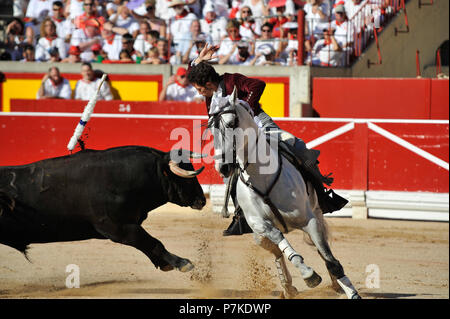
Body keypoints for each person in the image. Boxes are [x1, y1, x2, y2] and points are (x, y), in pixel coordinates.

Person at [187, 44, 341, 235]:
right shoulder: (210, 92)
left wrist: (246, 109)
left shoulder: (231, 80)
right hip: (232, 134)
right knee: (228, 169)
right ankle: (241, 216)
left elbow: (257, 85)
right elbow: (194, 75)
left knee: (296, 146)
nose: (199, 93)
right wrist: (197, 61)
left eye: (200, 89)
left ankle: (322, 195)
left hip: (258, 122)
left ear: (209, 84)